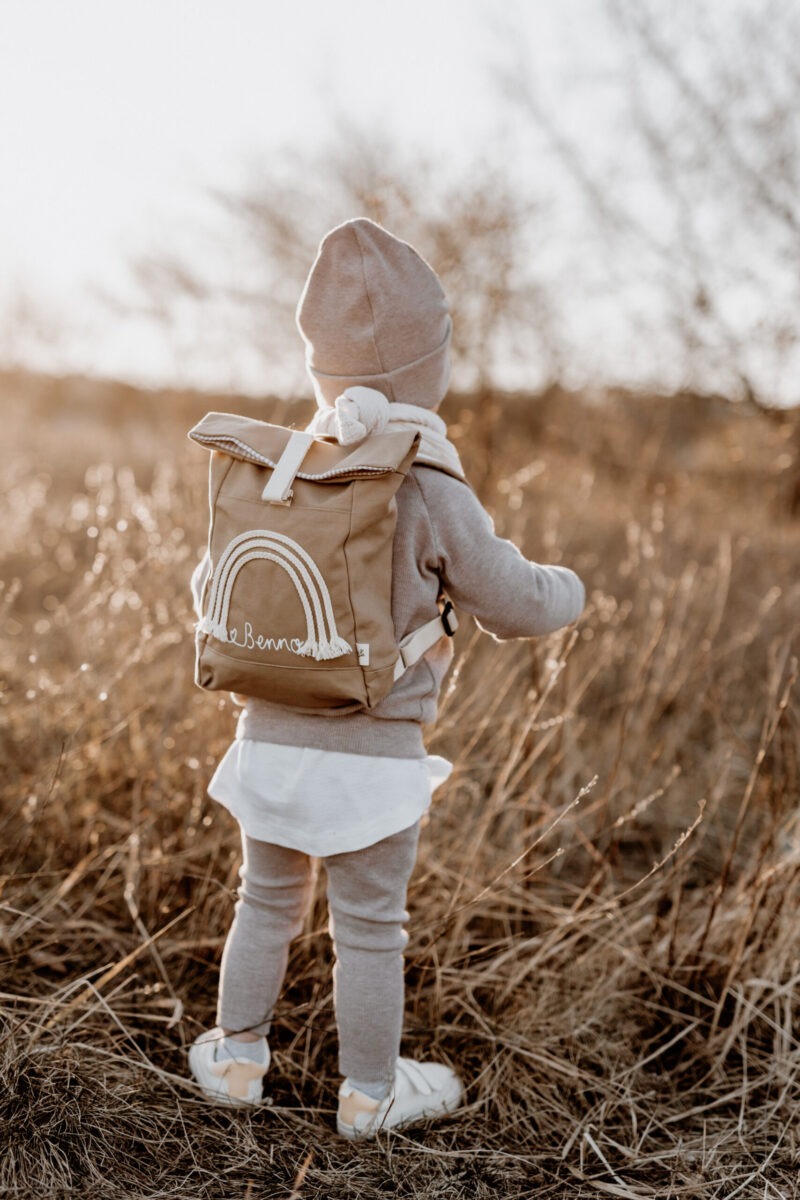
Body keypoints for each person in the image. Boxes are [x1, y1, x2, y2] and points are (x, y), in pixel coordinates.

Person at [188, 217, 586, 1139]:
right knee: (369, 925)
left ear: (319, 371)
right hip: (373, 759)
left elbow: (213, 583)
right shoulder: (428, 480)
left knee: (265, 901)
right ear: (430, 370)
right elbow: (512, 597)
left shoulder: (287, 470)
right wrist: (569, 590)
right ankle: (370, 1093)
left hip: (270, 743)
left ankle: (238, 1056)